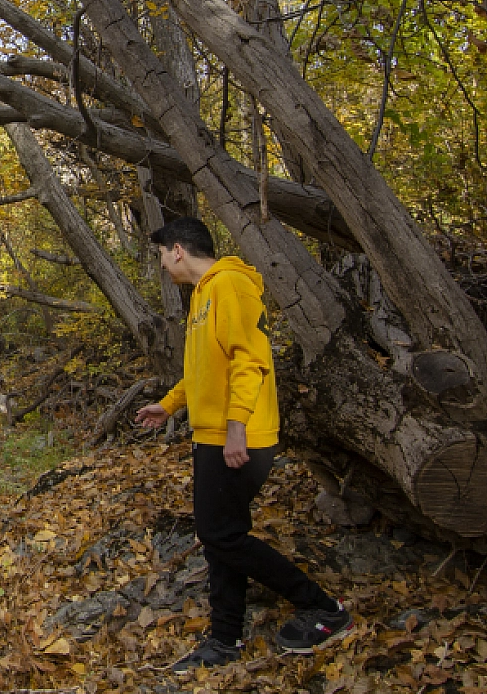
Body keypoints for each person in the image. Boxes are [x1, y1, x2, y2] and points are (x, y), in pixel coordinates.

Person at [135, 216, 353, 670]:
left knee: (220, 535)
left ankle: (321, 608)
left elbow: (249, 361)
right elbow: (202, 370)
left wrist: (236, 429)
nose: (162, 266)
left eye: (161, 255)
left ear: (177, 249)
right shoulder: (202, 295)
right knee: (222, 537)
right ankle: (224, 639)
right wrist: (171, 405)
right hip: (214, 434)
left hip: (238, 437)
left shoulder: (230, 285)